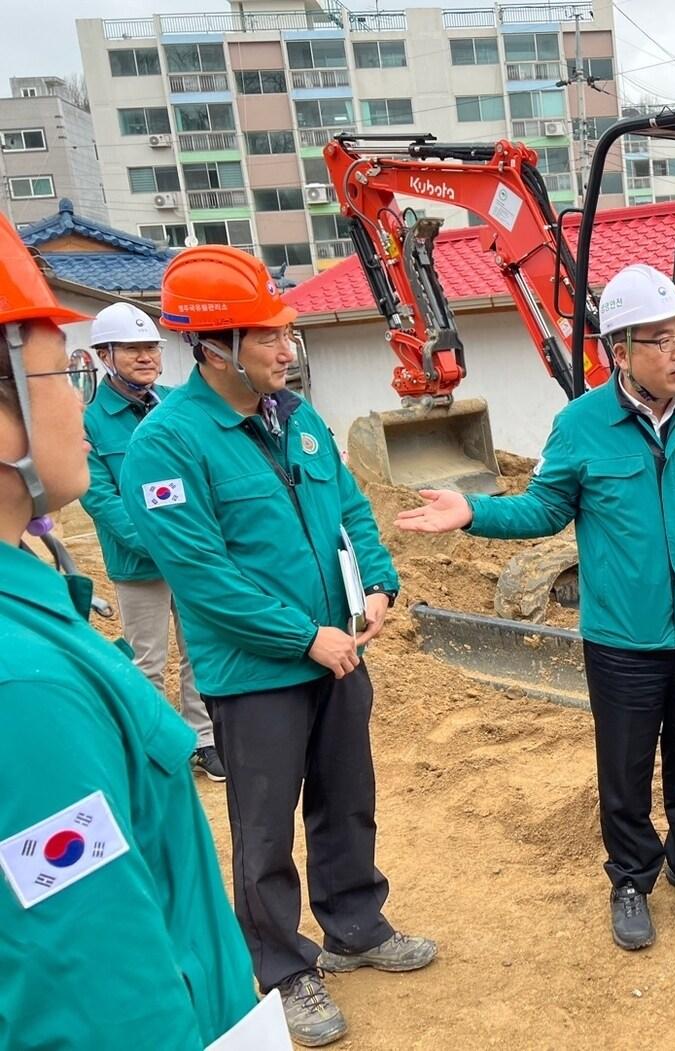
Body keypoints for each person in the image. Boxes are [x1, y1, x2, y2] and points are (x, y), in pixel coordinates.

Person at [397, 262, 675, 951]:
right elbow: (545, 508)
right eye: (658, 340)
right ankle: (632, 878)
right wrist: (473, 511)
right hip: (621, 641)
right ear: (619, 352)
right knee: (626, 770)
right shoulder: (580, 424)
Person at [120, 245, 436, 1047]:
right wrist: (306, 636)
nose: (287, 350)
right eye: (268, 336)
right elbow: (201, 575)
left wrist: (376, 581)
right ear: (216, 345)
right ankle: (284, 968)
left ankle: (355, 923)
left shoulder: (297, 419)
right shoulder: (167, 444)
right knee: (263, 826)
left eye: (287, 334)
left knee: (346, 796)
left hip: (341, 650)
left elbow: (352, 508)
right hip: (258, 670)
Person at [0, 217, 260, 1047]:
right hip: (138, 565)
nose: (73, 402)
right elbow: (104, 991)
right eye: (51, 370)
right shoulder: (26, 691)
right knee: (148, 661)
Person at [80, 301, 224, 782]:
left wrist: (196, 540)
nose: (146, 357)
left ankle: (202, 740)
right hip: (139, 564)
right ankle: (150, 746)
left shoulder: (176, 405)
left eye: (151, 348)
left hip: (190, 556)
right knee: (148, 660)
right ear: (105, 354)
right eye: (133, 349)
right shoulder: (92, 422)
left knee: (198, 650)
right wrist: (162, 542)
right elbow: (100, 498)